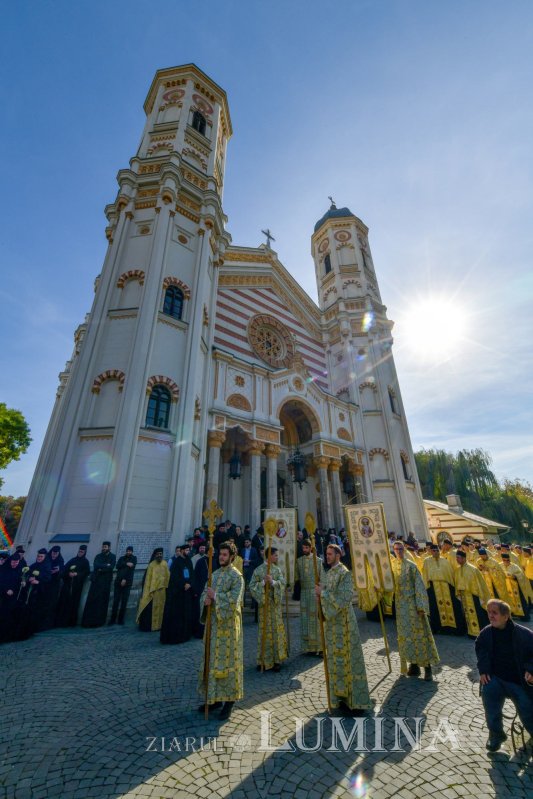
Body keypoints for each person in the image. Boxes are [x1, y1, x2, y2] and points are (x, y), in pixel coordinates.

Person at [315, 544, 372, 715]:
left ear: (338, 555)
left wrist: (323, 594)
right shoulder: (328, 573)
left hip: (345, 624)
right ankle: (338, 697)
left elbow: (344, 598)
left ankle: (355, 701)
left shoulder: (345, 573)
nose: (327, 556)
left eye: (330, 554)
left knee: (348, 659)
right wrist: (319, 596)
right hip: (332, 626)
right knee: (334, 662)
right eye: (326, 553)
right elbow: (325, 593)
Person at [475, 598, 533, 751]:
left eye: (495, 613)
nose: (491, 616)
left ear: (506, 616)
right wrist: (484, 670)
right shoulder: (486, 633)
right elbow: (480, 649)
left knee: (527, 709)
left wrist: (531, 670)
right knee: (489, 694)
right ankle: (496, 734)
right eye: (489, 613)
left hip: (519, 682)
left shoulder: (524, 634)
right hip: (497, 679)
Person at [197, 541, 244, 720]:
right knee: (212, 661)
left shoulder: (237, 576)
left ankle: (229, 701)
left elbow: (234, 601)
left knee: (228, 662)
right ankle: (214, 698)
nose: (221, 557)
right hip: (214, 626)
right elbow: (204, 593)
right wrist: (205, 601)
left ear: (232, 557)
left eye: (225, 555)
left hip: (230, 628)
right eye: (220, 554)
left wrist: (215, 597)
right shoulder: (213, 575)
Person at [391, 541, 439, 680]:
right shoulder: (393, 566)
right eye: (396, 549)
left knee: (420, 635)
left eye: (401, 549)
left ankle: (428, 668)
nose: (398, 551)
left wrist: (420, 606)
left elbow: (419, 586)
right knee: (406, 637)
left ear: (404, 550)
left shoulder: (411, 566)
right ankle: (413, 666)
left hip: (413, 606)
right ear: (393, 550)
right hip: (401, 608)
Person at [250, 547, 288, 672]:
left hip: (275, 606)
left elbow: (282, 584)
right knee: (264, 633)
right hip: (264, 607)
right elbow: (252, 586)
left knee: (276, 632)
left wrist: (272, 582)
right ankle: (264, 661)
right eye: (275, 555)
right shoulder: (258, 570)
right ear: (269, 556)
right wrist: (262, 583)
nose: (277, 557)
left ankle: (277, 660)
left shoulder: (277, 570)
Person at [422, 543, 465, 635]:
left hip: (447, 587)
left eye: (437, 550)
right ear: (430, 551)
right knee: (435, 608)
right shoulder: (427, 561)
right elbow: (425, 574)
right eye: (434, 550)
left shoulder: (445, 561)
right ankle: (438, 628)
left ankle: (454, 629)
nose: (436, 552)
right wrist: (426, 588)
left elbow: (450, 574)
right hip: (433, 588)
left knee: (452, 607)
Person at [294, 539, 324, 655]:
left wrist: (320, 591)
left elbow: (323, 578)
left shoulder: (318, 561)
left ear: (311, 548)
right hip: (304, 593)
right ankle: (308, 648)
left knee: (316, 619)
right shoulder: (299, 561)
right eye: (303, 548)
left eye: (307, 548)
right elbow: (296, 577)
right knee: (305, 620)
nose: (304, 550)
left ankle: (320, 647)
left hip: (314, 593)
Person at [160, 544, 194, 644]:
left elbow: (192, 574)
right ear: (182, 551)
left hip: (187, 592)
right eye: (186, 550)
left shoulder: (189, 560)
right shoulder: (176, 562)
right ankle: (176, 636)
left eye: (189, 550)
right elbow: (174, 577)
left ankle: (185, 635)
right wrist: (183, 584)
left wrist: (190, 583)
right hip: (178, 592)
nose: (188, 552)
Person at [454, 549, 490, 637]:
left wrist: (477, 593)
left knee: (478, 614)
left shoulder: (473, 569)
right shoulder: (457, 570)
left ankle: (481, 633)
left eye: (458, 558)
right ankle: (471, 632)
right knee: (467, 614)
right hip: (464, 596)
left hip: (474, 595)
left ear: (463, 558)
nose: (457, 560)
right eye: (456, 558)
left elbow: (479, 583)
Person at [81, 542, 116, 628]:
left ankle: (99, 622)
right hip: (96, 582)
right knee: (92, 601)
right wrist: (105, 566)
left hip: (105, 583)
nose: (104, 548)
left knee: (102, 602)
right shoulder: (98, 556)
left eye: (105, 547)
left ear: (109, 548)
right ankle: (88, 622)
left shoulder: (112, 556)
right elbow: (96, 565)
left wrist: (102, 568)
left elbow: (111, 567)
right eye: (103, 546)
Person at [55, 545, 90, 627]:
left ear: (84, 553)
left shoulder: (85, 562)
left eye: (82, 552)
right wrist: (68, 574)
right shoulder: (72, 560)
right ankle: (61, 621)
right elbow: (65, 569)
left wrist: (77, 574)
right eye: (79, 551)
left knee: (73, 604)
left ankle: (70, 622)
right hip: (67, 585)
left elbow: (86, 572)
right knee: (63, 602)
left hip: (76, 586)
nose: (80, 553)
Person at [136, 548, 170, 632]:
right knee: (151, 609)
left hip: (162, 591)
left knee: (161, 608)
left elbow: (168, 576)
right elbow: (148, 579)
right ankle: (152, 626)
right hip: (153, 591)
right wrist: (149, 590)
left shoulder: (165, 564)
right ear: (155, 555)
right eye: (158, 554)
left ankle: (160, 625)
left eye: (161, 554)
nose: (159, 555)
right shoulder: (151, 565)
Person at [109, 546, 137, 625]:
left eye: (130, 551)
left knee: (124, 602)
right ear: (126, 551)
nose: (128, 552)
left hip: (127, 583)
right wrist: (126, 563)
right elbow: (117, 566)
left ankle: (121, 620)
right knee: (115, 601)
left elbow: (131, 569)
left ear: (132, 552)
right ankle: (112, 619)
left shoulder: (134, 558)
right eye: (127, 551)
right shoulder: (122, 558)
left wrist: (125, 579)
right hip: (118, 582)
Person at [501, 553, 532, 621]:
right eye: (504, 560)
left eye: (508, 560)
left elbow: (521, 574)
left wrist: (514, 576)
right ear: (502, 560)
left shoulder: (514, 566)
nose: (506, 561)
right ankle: (510, 614)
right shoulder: (499, 565)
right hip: (505, 587)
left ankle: (522, 616)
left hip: (516, 588)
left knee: (520, 601)